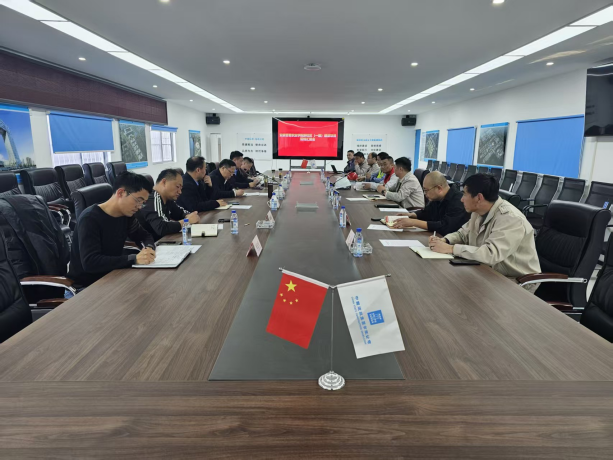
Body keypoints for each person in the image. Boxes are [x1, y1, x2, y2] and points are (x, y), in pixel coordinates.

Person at [430, 173, 541, 292]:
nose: (461, 199)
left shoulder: (511, 219)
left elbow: (491, 254)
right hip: (488, 271)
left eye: (465, 194)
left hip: (516, 281)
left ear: (479, 198)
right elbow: (463, 234)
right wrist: (445, 240)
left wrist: (451, 249)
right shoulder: (478, 211)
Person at [67, 172, 156, 288]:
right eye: (138, 200)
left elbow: (144, 236)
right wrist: (133, 259)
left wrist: (149, 248)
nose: (139, 207)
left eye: (142, 203)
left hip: (114, 275)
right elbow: (90, 262)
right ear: (121, 193)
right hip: (88, 286)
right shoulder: (90, 219)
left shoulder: (126, 215)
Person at [392, 171, 469, 235]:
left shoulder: (458, 201)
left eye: (426, 190)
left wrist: (414, 222)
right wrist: (412, 215)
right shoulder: (437, 198)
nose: (424, 193)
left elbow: (445, 227)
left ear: (439, 188)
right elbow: (427, 213)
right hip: (436, 237)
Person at [137, 169, 199, 241]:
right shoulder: (152, 198)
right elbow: (161, 227)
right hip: (151, 244)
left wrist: (191, 216)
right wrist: (186, 221)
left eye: (181, 188)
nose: (180, 192)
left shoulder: (168, 199)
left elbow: (180, 213)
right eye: (177, 187)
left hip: (165, 240)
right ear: (164, 182)